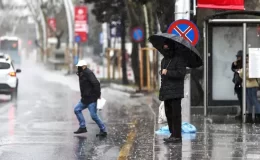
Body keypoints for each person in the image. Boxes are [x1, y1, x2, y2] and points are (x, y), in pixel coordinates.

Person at [159, 42, 186, 143]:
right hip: (166, 92)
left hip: (176, 91)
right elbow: (163, 77)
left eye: (167, 47)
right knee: (168, 114)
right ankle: (172, 134)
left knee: (176, 114)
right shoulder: (164, 61)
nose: (165, 50)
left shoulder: (179, 59)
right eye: (164, 48)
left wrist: (168, 72)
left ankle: (177, 135)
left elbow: (181, 73)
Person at [73, 60, 107, 136]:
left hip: (91, 99)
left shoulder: (88, 73)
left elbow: (96, 83)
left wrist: (98, 95)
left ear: (84, 66)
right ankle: (82, 127)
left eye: (80, 66)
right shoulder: (82, 73)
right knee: (77, 109)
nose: (78, 68)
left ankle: (103, 130)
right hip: (84, 99)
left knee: (94, 116)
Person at [238, 55, 260, 122]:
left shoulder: (254, 67)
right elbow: (240, 74)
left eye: (248, 59)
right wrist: (245, 70)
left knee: (253, 100)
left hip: (253, 85)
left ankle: (258, 114)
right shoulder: (246, 66)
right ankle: (250, 115)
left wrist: (246, 72)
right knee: (248, 100)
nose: (247, 60)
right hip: (247, 85)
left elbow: (251, 77)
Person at [231, 50, 243, 119]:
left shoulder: (244, 63)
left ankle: (243, 112)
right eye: (237, 57)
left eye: (239, 57)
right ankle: (242, 112)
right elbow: (233, 68)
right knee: (240, 98)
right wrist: (234, 66)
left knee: (243, 99)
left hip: (242, 83)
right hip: (238, 84)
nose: (238, 58)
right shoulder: (236, 63)